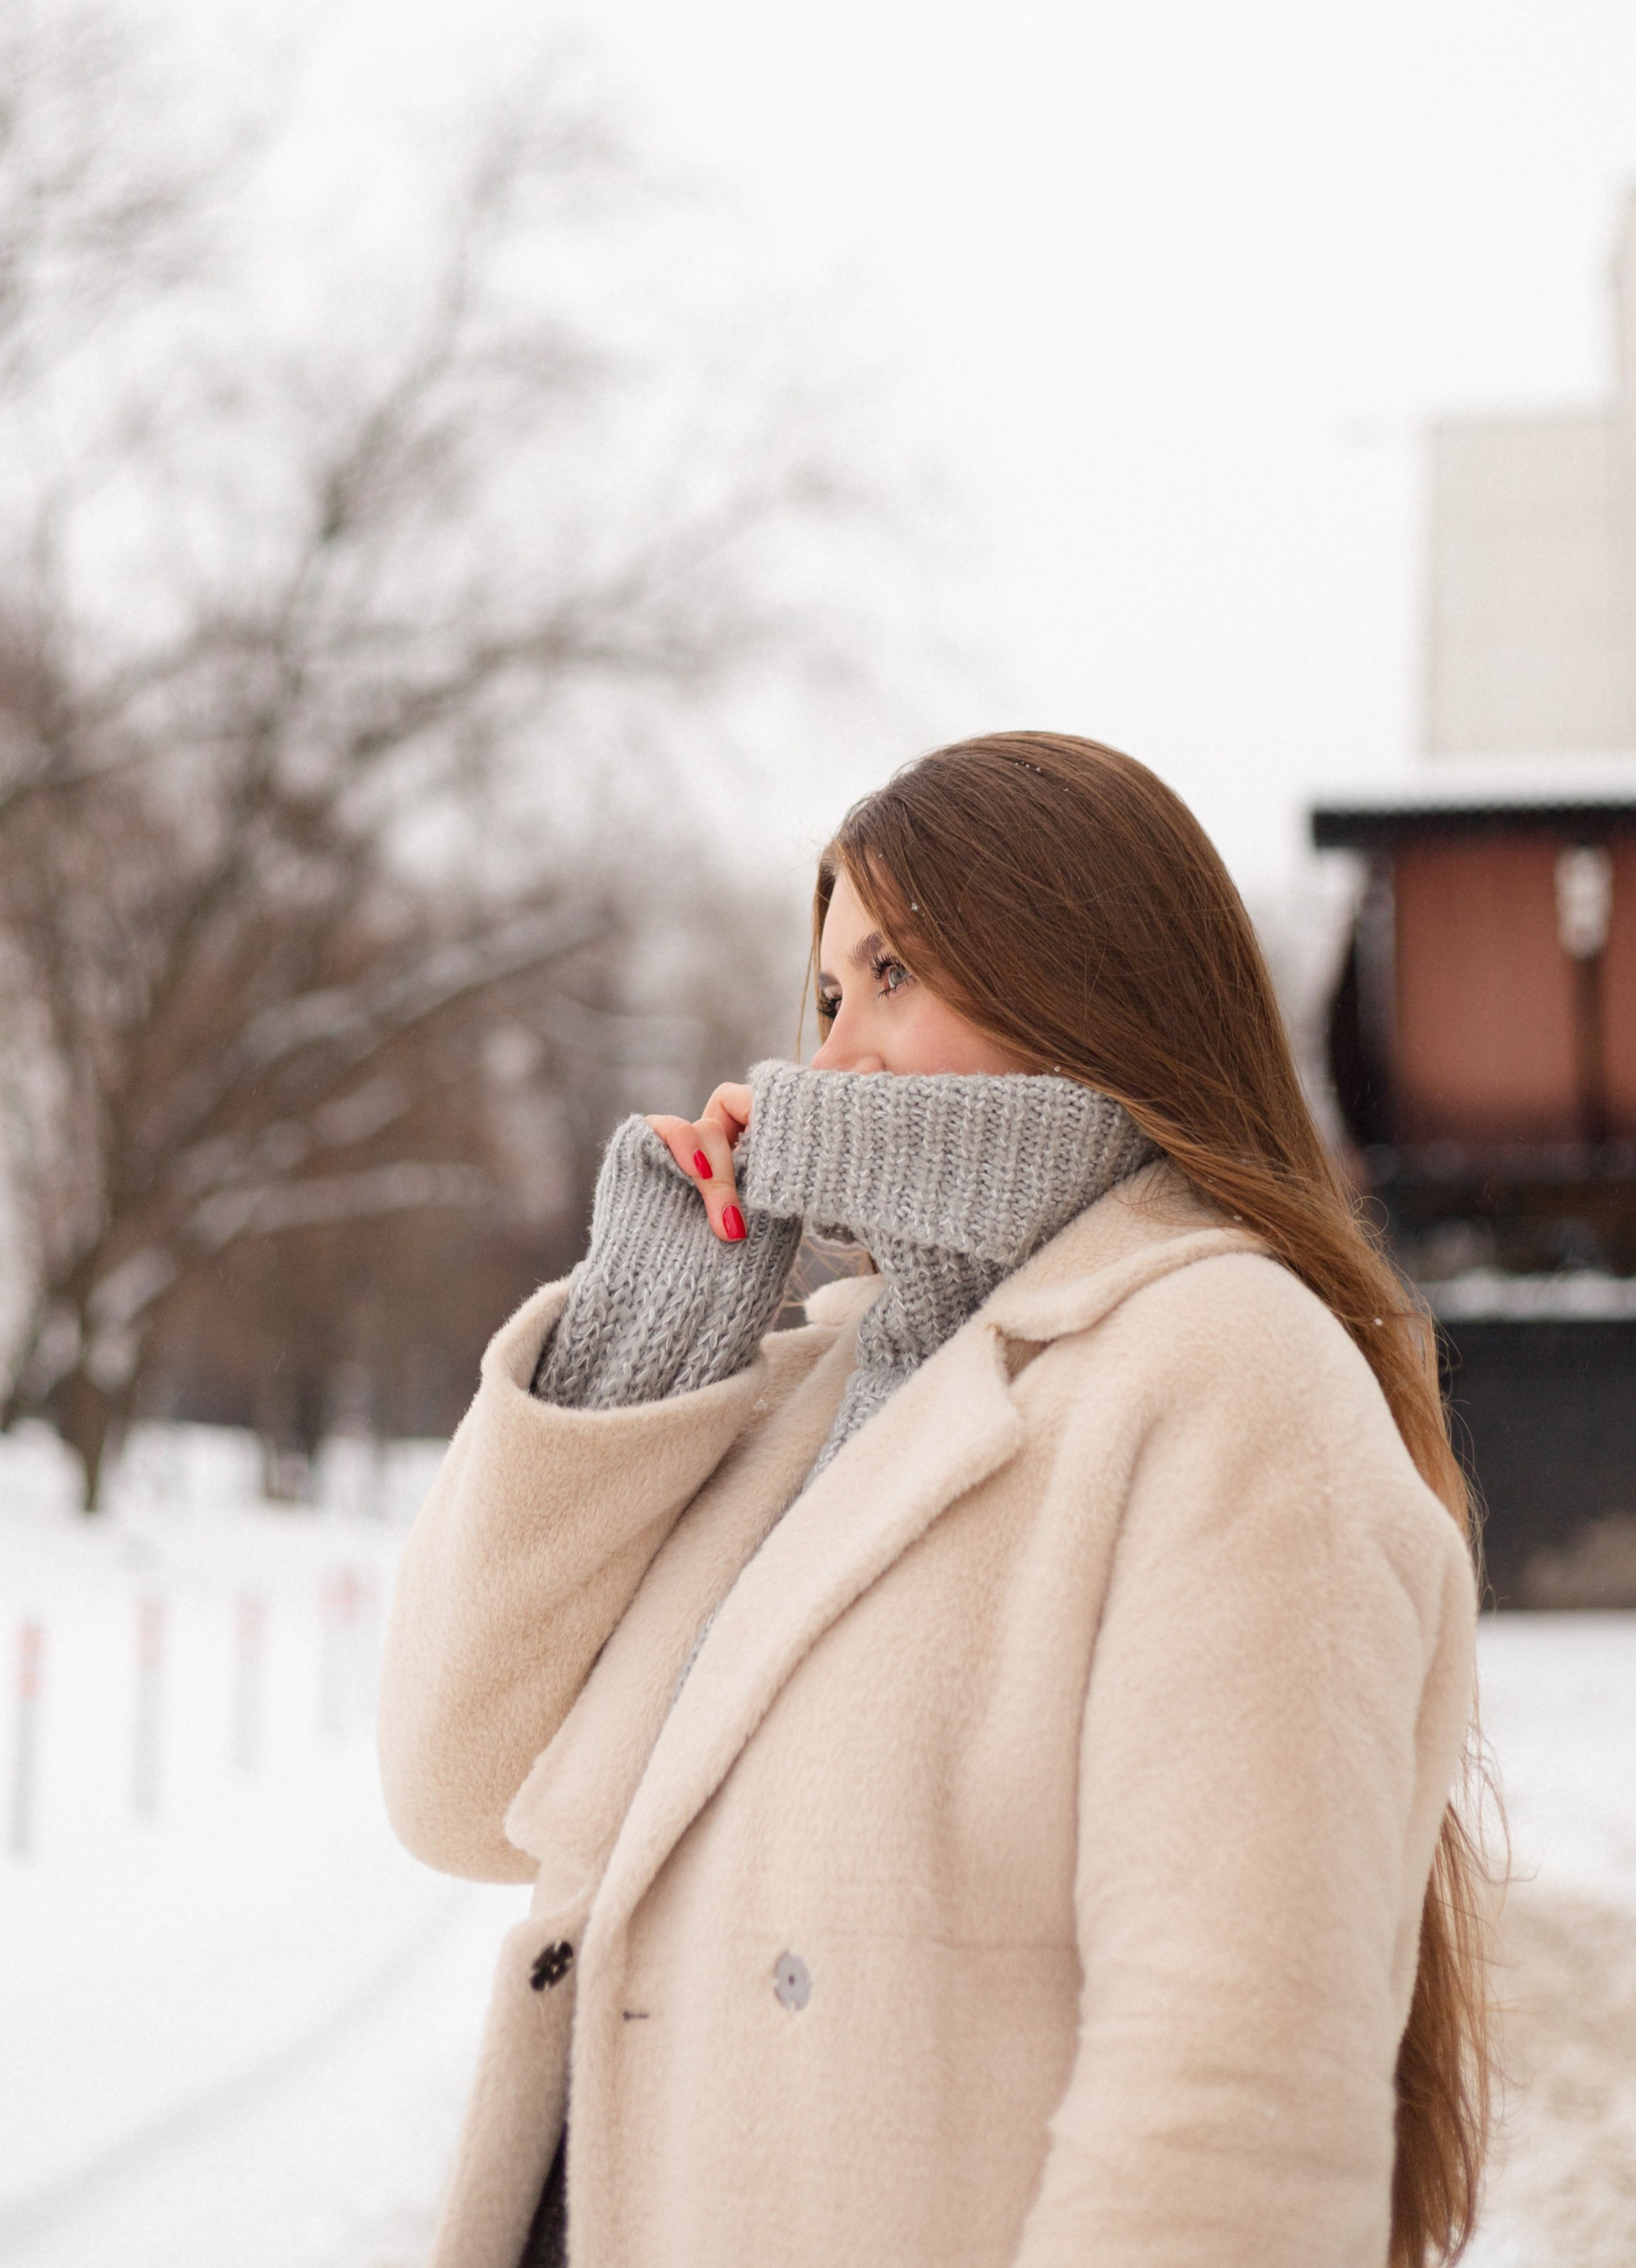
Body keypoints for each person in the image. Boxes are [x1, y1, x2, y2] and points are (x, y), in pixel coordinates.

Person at [378, 733, 1491, 2268]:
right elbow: (457, 1780)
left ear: (1085, 973)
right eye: (827, 993)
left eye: (894, 970)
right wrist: (648, 1332)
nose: (830, 1056)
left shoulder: (1232, 1377)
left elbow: (1226, 2096)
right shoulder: (818, 1383)